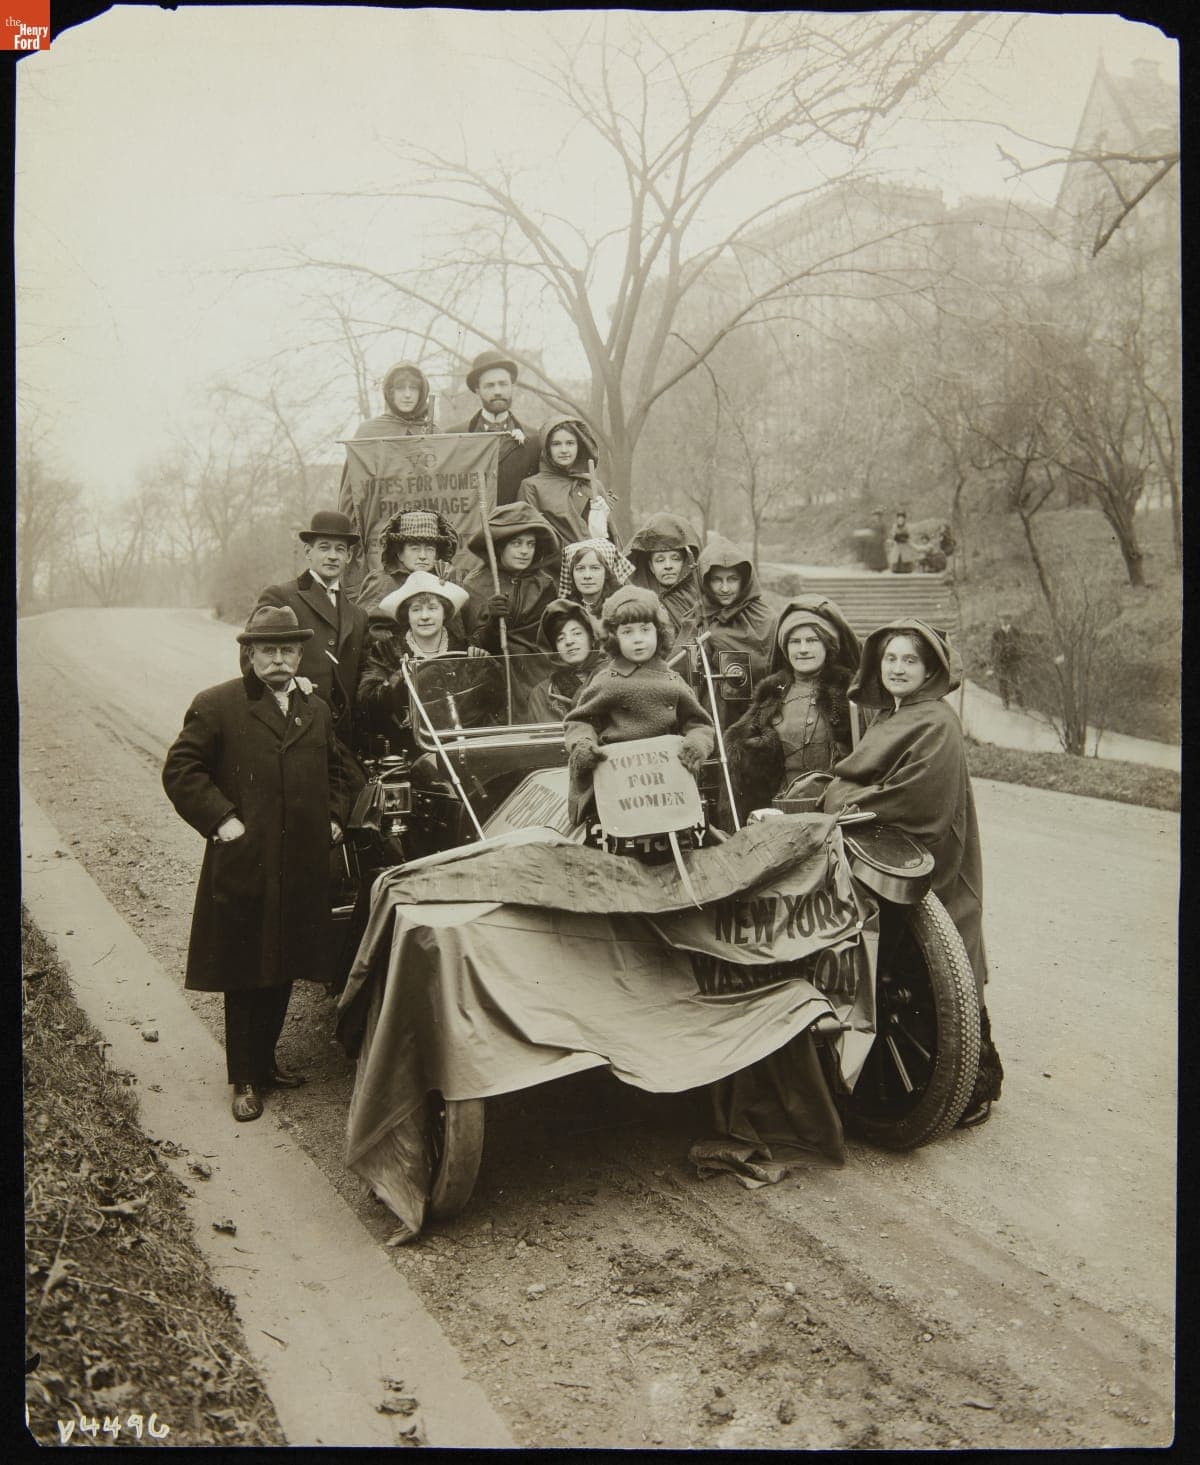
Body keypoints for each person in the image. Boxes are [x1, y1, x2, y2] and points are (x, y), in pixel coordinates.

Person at [162, 605, 352, 1123]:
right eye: (267, 650)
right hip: (247, 860)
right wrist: (223, 821)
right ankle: (243, 1078)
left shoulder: (313, 709)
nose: (278, 659)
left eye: (288, 649)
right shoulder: (218, 704)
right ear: (248, 655)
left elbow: (338, 771)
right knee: (246, 968)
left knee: (284, 961)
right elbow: (181, 770)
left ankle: (266, 1065)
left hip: (300, 863)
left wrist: (333, 818)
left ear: (299, 654)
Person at [820, 618, 1002, 1126]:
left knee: (937, 971)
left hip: (929, 859)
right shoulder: (891, 716)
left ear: (929, 671)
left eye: (909, 661)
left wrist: (840, 803)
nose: (897, 669)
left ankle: (964, 1087)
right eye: (890, 659)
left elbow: (915, 798)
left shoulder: (936, 722)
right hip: (887, 852)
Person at [563, 585, 714, 832]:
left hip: (666, 787)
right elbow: (580, 721)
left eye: (645, 629)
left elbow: (700, 723)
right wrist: (583, 744)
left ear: (659, 632)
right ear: (614, 637)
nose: (638, 638)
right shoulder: (607, 680)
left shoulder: (672, 681)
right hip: (619, 788)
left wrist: (697, 743)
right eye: (627, 631)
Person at [723, 596, 860, 824]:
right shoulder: (770, 695)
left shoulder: (849, 693)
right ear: (785, 648)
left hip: (835, 811)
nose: (803, 650)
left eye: (812, 640)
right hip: (781, 812)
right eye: (795, 642)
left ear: (828, 644)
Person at [254, 510, 369, 749]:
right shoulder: (281, 596)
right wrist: (288, 682)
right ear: (308, 552)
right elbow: (252, 659)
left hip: (342, 740)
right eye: (324, 548)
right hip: (293, 729)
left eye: (340, 550)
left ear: (348, 556)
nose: (332, 556)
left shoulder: (357, 615)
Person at [357, 571, 498, 751]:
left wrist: (485, 667)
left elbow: (490, 704)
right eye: (416, 609)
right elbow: (367, 702)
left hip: (462, 746)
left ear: (445, 613)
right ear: (406, 615)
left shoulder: (465, 649)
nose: (424, 616)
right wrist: (400, 680)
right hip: (407, 748)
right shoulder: (386, 650)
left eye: (432, 608)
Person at [338, 362, 438, 599]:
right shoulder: (369, 432)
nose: (406, 394)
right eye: (400, 388)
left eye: (413, 388)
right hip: (380, 532)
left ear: (421, 392)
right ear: (389, 393)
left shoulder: (435, 431)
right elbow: (352, 491)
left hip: (423, 536)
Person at [461, 502, 560, 712]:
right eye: (517, 543)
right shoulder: (476, 584)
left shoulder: (544, 584)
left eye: (530, 544)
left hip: (536, 679)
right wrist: (493, 625)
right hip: (492, 683)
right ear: (499, 545)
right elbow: (474, 645)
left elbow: (549, 639)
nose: (525, 551)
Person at [447, 349, 541, 505]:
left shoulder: (534, 439)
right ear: (477, 390)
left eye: (503, 384)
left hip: (518, 526)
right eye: (490, 385)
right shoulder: (454, 436)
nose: (498, 391)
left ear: (512, 387)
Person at [517, 413, 619, 549]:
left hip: (592, 564)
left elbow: (611, 539)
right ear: (547, 448)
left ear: (579, 446)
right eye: (556, 444)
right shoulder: (532, 486)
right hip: (551, 567)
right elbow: (529, 536)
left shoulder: (593, 485)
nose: (564, 450)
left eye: (570, 443)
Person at [695, 535, 775, 685]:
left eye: (732, 579)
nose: (725, 588)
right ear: (705, 581)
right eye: (716, 580)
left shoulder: (765, 618)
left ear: (744, 580)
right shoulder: (697, 616)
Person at [626, 511, 703, 645]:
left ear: (686, 562)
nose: (668, 566)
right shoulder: (639, 601)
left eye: (675, 559)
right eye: (660, 560)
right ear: (651, 566)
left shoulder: (701, 595)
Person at [368, 509, 461, 616]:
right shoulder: (382, 583)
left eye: (429, 549)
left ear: (437, 554)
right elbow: (370, 628)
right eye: (415, 548)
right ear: (400, 554)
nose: (422, 556)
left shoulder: (445, 581)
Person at [525, 600, 606, 724]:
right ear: (553, 648)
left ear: (592, 638)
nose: (569, 641)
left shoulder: (611, 676)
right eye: (560, 638)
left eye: (577, 633)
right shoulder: (542, 694)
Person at [557, 537, 635, 630]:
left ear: (606, 573)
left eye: (595, 568)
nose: (587, 576)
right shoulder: (565, 610)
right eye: (580, 569)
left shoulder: (622, 609)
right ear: (572, 574)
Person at [991, 611, 1024, 710]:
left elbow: (1020, 646)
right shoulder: (996, 634)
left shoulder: (1016, 632)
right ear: (1000, 620)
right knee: (1003, 682)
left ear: (1010, 620)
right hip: (1002, 662)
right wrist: (994, 661)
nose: (1004, 621)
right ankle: (1006, 704)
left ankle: (1021, 704)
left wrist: (1018, 657)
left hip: (1014, 661)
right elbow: (993, 649)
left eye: (1006, 619)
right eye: (1002, 619)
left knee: (1016, 682)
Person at [890, 509, 916, 574]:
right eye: (899, 518)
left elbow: (908, 535)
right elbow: (893, 534)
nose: (900, 520)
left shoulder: (907, 526)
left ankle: (906, 569)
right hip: (898, 545)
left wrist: (902, 536)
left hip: (905, 545)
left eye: (902, 518)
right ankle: (896, 569)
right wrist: (897, 536)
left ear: (904, 519)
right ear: (897, 519)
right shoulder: (894, 526)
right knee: (896, 557)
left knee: (905, 558)